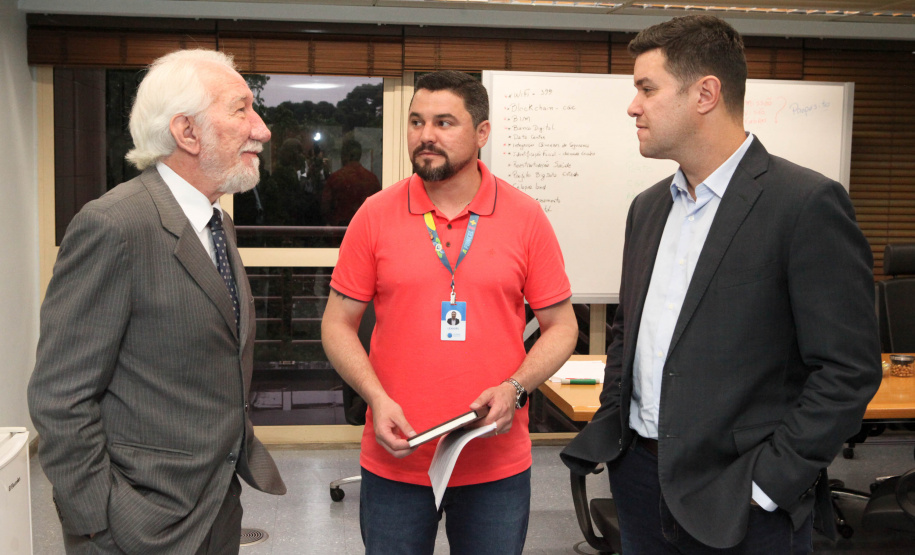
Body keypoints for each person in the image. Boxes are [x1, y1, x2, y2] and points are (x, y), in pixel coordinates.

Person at [561, 15, 881, 554]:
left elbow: (848, 370)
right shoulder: (647, 209)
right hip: (639, 480)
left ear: (705, 93)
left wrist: (767, 486)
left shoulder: (804, 204)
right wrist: (615, 427)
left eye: (647, 88)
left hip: (741, 496)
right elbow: (627, 335)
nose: (632, 106)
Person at [28, 49, 286, 555]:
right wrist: (101, 521)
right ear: (187, 132)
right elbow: (60, 398)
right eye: (241, 110)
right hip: (137, 525)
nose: (262, 129)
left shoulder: (217, 224)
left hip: (216, 507)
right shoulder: (114, 226)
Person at [321, 70, 578, 555]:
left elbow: (562, 327)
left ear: (482, 133)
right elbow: (336, 324)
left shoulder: (525, 217)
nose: (426, 136)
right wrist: (375, 397)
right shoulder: (374, 214)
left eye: (444, 122)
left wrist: (516, 388)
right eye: (416, 122)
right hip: (397, 458)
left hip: (494, 463)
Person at [321, 137, 382, 226]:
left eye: (342, 155)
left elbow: (325, 208)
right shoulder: (372, 179)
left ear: (346, 156)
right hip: (364, 231)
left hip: (340, 232)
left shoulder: (336, 178)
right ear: (359, 156)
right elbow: (379, 209)